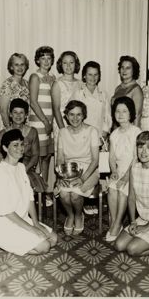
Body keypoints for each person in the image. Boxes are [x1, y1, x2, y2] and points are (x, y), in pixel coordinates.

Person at [0, 129, 58, 255]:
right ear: (5, 148)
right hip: (2, 225)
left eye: (22, 144)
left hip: (21, 219)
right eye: (15, 145)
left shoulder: (21, 167)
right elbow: (6, 211)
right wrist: (31, 229)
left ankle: (12, 243)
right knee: (44, 247)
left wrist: (35, 223)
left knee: (54, 239)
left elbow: (30, 197)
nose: (20, 148)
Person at [56, 100, 100, 235]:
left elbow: (95, 160)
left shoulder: (92, 131)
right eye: (71, 114)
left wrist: (82, 178)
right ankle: (70, 215)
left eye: (78, 115)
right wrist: (60, 175)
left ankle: (79, 215)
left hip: (89, 171)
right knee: (63, 194)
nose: (75, 118)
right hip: (68, 170)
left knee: (75, 194)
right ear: (66, 116)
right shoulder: (62, 132)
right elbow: (60, 159)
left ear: (84, 115)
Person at [106, 97, 141, 241]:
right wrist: (114, 171)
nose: (120, 114)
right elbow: (112, 157)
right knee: (112, 188)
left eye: (124, 111)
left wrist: (126, 177)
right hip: (120, 171)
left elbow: (137, 158)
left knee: (122, 190)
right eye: (117, 111)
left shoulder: (136, 132)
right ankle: (115, 222)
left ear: (131, 113)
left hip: (134, 172)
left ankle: (117, 223)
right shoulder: (114, 134)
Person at [0, 99, 47, 194]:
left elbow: (35, 155)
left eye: (21, 113)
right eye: (15, 112)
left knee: (24, 182)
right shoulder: (2, 133)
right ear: (10, 114)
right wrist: (10, 170)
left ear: (26, 115)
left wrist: (24, 169)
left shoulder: (32, 132)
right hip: (7, 169)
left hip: (26, 169)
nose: (18, 116)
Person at [28, 46, 56, 197]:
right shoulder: (35, 77)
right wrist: (45, 121)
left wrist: (50, 123)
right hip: (39, 123)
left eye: (49, 58)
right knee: (37, 159)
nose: (46, 61)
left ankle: (43, 193)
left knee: (46, 158)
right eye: (43, 58)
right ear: (37, 60)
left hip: (49, 124)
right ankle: (34, 194)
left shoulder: (52, 77)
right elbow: (33, 102)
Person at [71, 61, 112, 140]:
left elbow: (107, 117)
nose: (93, 78)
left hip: (100, 135)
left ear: (99, 76)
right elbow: (73, 116)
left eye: (95, 74)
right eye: (90, 74)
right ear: (84, 76)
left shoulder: (104, 94)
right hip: (81, 135)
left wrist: (104, 133)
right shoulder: (78, 93)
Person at [51, 51, 82, 135]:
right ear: (61, 64)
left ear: (76, 64)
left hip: (77, 122)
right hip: (62, 123)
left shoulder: (80, 83)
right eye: (65, 63)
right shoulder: (57, 84)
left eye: (71, 62)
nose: (68, 66)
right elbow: (56, 110)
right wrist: (63, 131)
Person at [110, 55, 143, 127]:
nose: (124, 70)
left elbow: (137, 116)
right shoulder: (118, 88)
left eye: (128, 68)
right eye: (122, 67)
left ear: (134, 70)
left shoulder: (136, 89)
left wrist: (134, 136)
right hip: (116, 129)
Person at [0, 53, 30, 128]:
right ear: (11, 67)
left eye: (22, 64)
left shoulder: (27, 83)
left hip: (26, 125)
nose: (20, 67)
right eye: (16, 64)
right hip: (12, 126)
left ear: (25, 66)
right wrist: (9, 129)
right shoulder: (7, 84)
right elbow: (3, 110)